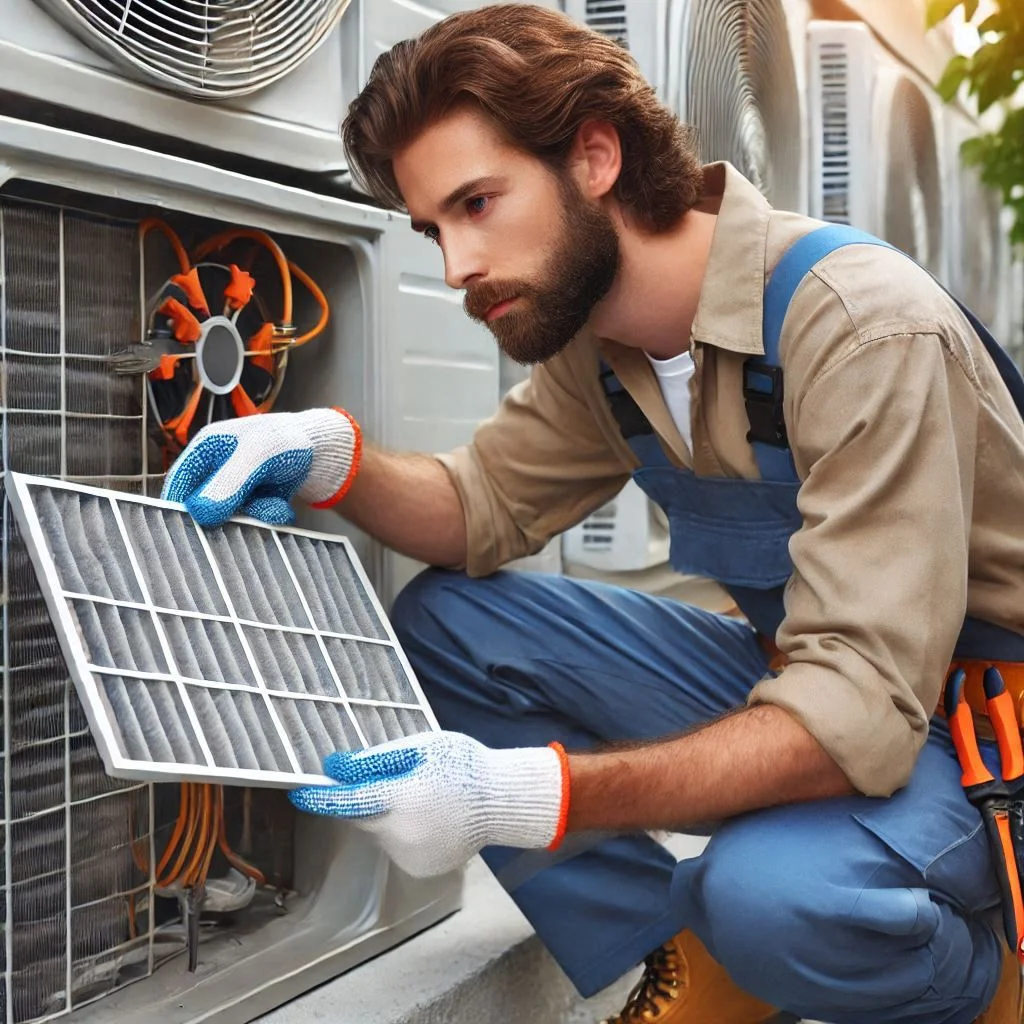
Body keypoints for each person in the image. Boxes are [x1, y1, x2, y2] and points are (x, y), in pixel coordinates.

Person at [161, 5, 1024, 1022]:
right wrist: (327, 459)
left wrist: (523, 794)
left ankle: (975, 973)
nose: (455, 269)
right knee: (448, 625)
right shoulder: (601, 346)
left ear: (598, 157)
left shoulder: (858, 325)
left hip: (984, 729)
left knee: (771, 891)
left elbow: (856, 721)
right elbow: (479, 505)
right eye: (435, 229)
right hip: (838, 684)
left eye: (479, 203)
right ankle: (686, 963)